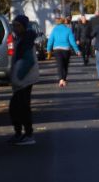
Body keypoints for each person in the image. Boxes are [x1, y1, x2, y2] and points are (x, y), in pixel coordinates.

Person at [8, 15, 39, 144]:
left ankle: (27, 134)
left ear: (24, 27)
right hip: (23, 79)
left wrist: (18, 75)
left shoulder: (26, 40)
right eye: (14, 25)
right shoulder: (21, 38)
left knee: (20, 107)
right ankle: (20, 133)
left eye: (18, 25)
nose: (15, 28)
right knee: (19, 107)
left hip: (25, 79)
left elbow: (28, 61)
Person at [45, 16, 77, 88]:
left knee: (59, 65)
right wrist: (76, 50)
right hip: (66, 49)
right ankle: (64, 79)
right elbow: (72, 41)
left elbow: (50, 41)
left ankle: (61, 79)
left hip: (57, 49)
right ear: (64, 22)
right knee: (65, 65)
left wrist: (48, 50)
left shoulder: (54, 30)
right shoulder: (68, 29)